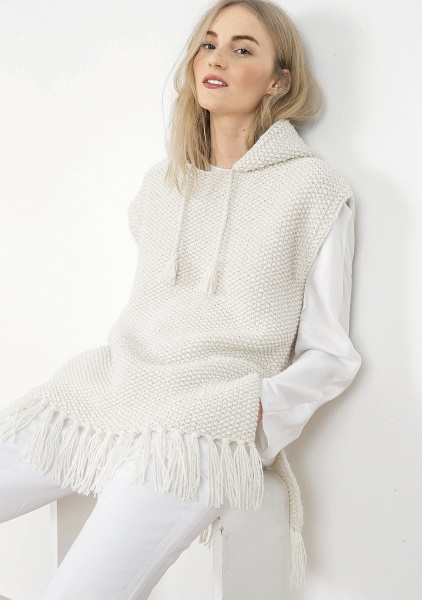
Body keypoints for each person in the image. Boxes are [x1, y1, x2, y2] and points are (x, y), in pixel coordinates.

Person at [0, 1, 361, 598]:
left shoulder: (312, 190)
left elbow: (331, 354)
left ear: (279, 81)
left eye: (242, 49)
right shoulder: (162, 184)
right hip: (113, 388)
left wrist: (255, 411)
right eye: (208, 44)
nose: (216, 59)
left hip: (202, 423)